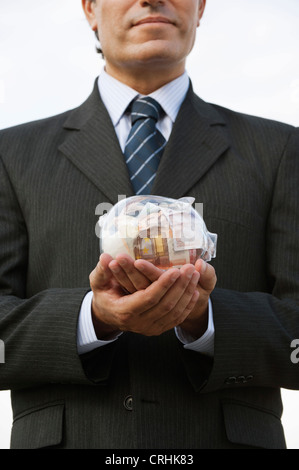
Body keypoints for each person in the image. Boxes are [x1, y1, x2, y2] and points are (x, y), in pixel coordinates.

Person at [0, 0, 298, 450]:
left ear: (200, 7)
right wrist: (91, 319)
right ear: (89, 8)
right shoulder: (11, 156)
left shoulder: (279, 151)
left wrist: (205, 319)